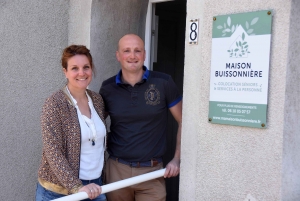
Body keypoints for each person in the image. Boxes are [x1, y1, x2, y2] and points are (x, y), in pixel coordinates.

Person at [100, 34, 182, 201]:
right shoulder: (107, 88)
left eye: (137, 51)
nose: (132, 56)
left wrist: (176, 159)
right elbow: (96, 125)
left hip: (152, 173)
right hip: (117, 171)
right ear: (118, 56)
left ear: (144, 54)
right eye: (127, 51)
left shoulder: (163, 82)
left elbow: (183, 121)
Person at [35, 45, 107, 201]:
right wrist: (77, 186)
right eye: (75, 68)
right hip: (59, 192)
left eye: (86, 67)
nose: (82, 73)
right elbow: (53, 151)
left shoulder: (97, 100)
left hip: (95, 187)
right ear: (65, 72)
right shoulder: (54, 104)